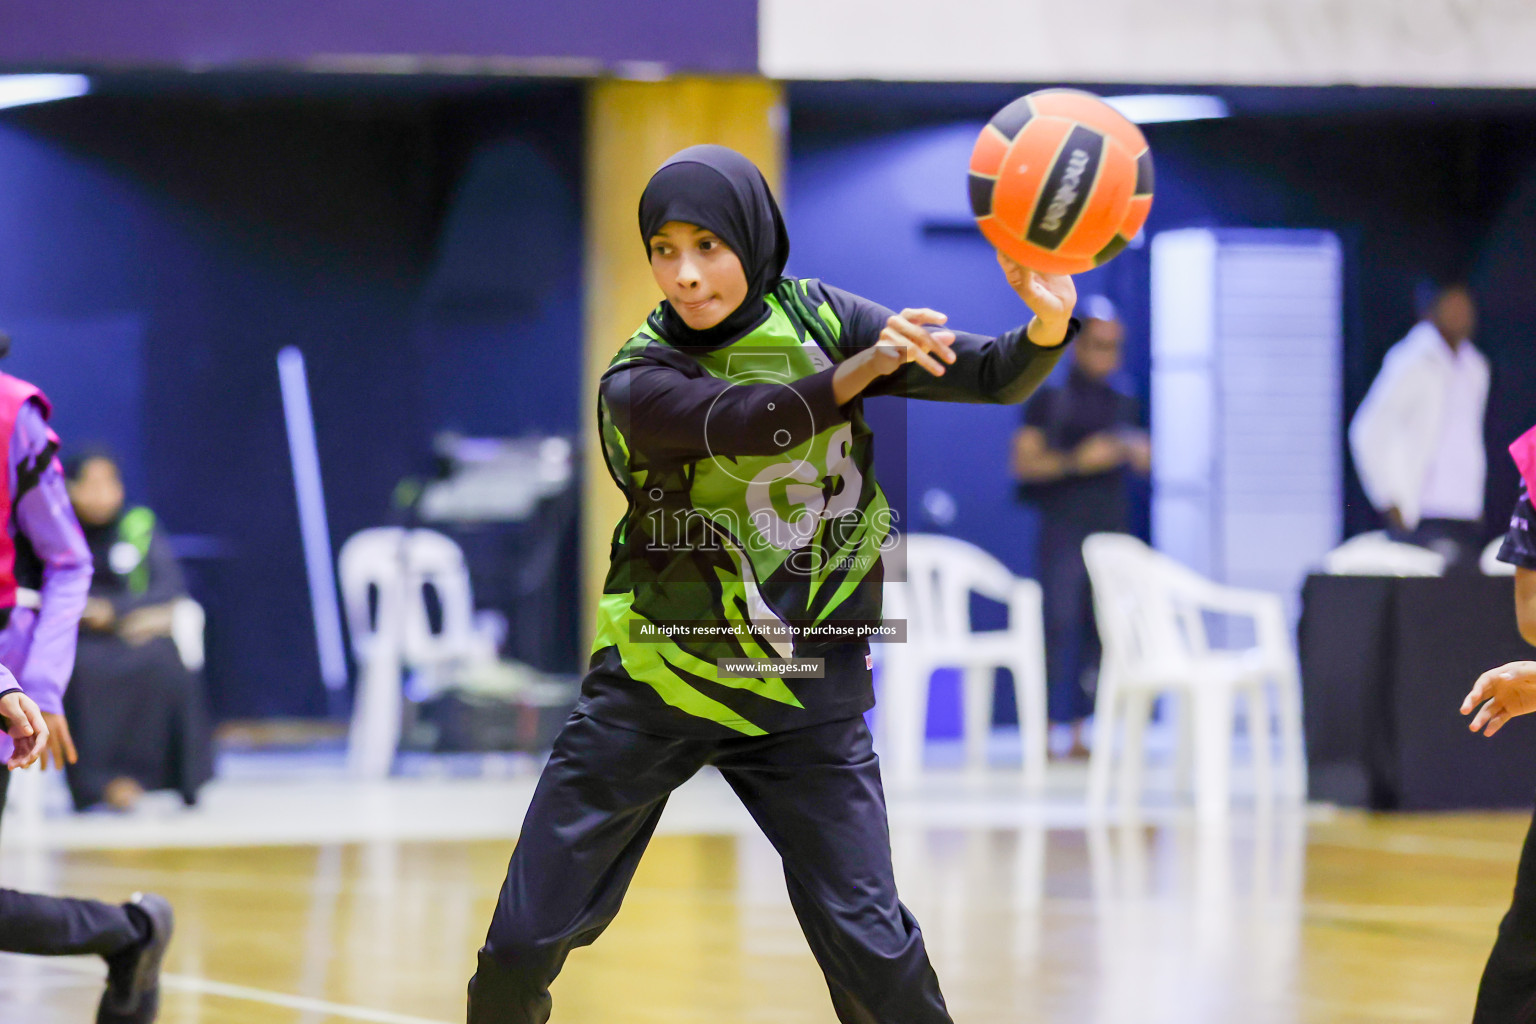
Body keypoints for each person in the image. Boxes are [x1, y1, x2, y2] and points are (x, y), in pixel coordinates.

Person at [465, 145, 1077, 1023]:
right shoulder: (636, 377)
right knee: (523, 941)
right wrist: (859, 374)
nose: (685, 273)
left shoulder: (822, 316)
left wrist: (1046, 330)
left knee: (877, 953)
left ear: (753, 239)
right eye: (664, 250)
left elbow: (987, 372)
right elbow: (744, 423)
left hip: (803, 692)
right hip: (659, 682)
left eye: (707, 246)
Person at [0, 330, 172, 1022]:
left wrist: (35, 687)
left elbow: (69, 562)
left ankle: (130, 935)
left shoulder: (15, 419)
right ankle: (130, 934)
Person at [1011, 296, 1149, 758]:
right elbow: (1024, 464)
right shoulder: (1050, 395)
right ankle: (1050, 729)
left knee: (1106, 628)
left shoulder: (1127, 396)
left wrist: (1131, 450)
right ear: (1077, 344)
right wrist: (1077, 460)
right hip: (1063, 525)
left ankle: (1090, 731)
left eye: (1114, 347)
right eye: (1097, 345)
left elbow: (1153, 459)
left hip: (1112, 526)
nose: (1106, 356)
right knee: (1059, 624)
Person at [64, 451, 214, 812]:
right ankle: (103, 784)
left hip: (136, 630)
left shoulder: (138, 524)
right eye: (91, 484)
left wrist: (118, 613)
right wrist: (86, 612)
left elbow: (170, 587)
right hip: (78, 637)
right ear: (69, 489)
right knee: (81, 671)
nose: (101, 494)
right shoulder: (57, 528)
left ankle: (180, 780)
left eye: (109, 483)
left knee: (165, 661)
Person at [1349, 282, 1489, 570]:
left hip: (1465, 511)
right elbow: (1367, 431)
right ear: (1431, 310)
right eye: (1452, 307)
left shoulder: (1476, 366)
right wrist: (1389, 498)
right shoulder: (1411, 360)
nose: (1461, 315)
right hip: (1422, 511)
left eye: (1465, 307)